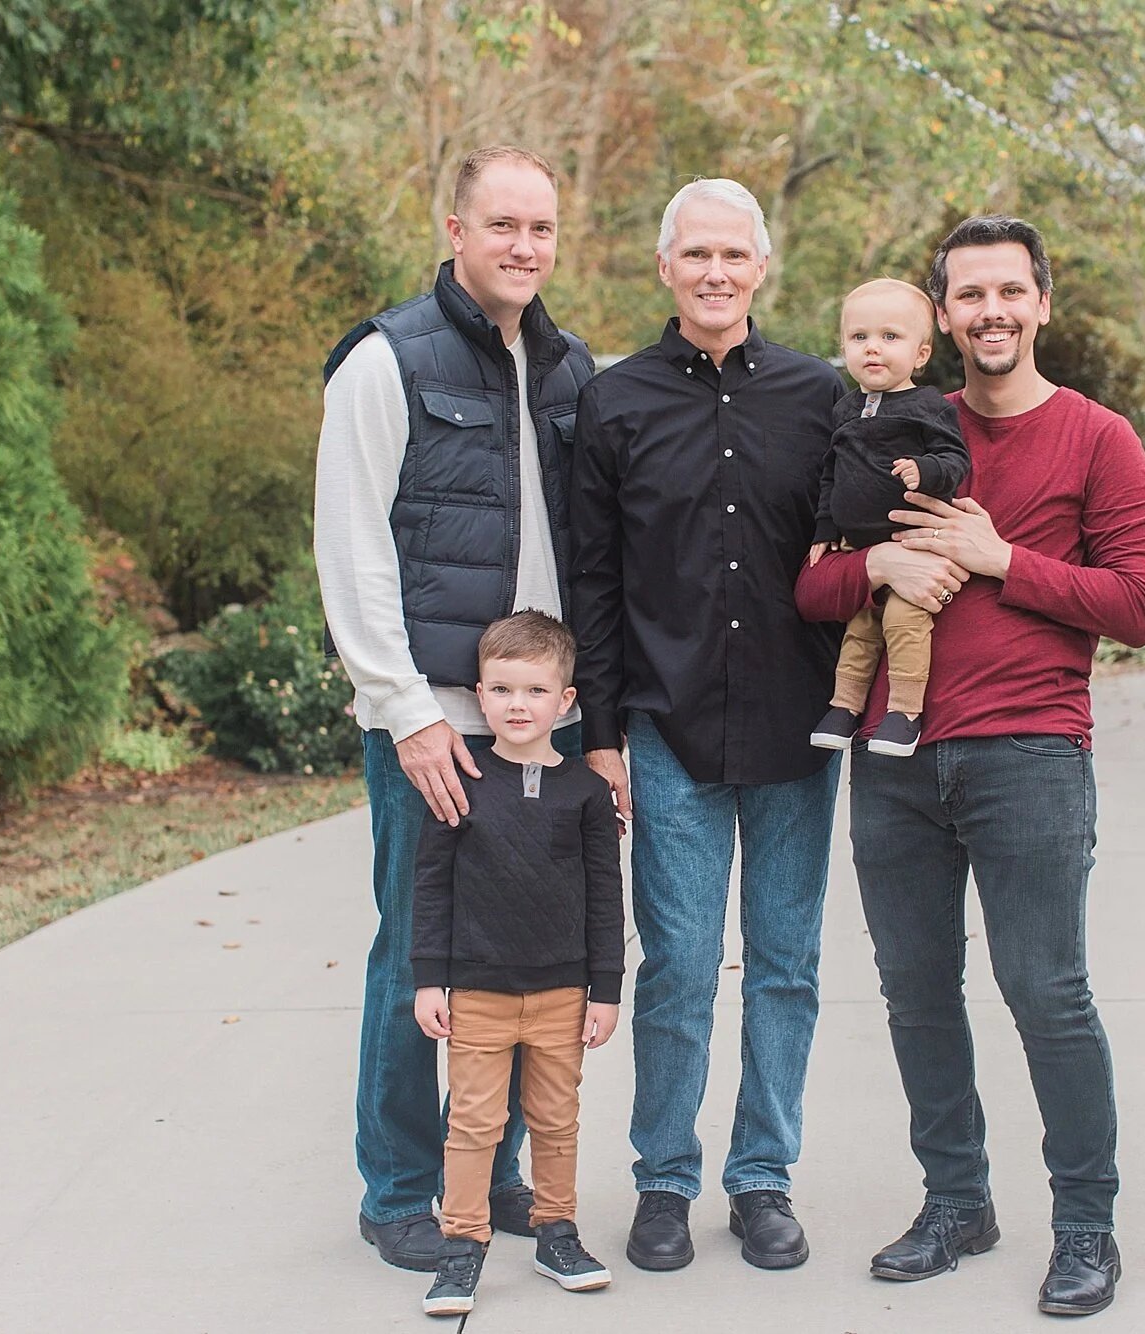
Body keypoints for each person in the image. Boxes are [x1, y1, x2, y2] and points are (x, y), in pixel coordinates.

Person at [794, 215, 1145, 1317]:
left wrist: (1001, 559)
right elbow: (810, 587)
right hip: (894, 760)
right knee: (914, 994)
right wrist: (884, 557)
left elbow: (1137, 605)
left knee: (1045, 992)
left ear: (1041, 303)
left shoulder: (1100, 438)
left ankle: (1085, 1226)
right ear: (941, 314)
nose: (989, 312)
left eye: (1010, 291)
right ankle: (956, 1201)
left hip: (1030, 756)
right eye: (968, 295)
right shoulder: (894, 419)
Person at [314, 144, 595, 1272]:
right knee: (419, 952)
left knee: (528, 958)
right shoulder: (385, 361)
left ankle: (496, 1171)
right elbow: (351, 547)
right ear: (453, 228)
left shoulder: (569, 368)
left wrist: (591, 721)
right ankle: (397, 1186)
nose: (523, 246)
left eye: (541, 228)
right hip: (433, 720)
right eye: (501, 225)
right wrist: (404, 710)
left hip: (545, 722)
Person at [569, 178, 845, 1273]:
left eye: (734, 255)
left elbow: (852, 555)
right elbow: (592, 578)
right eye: (697, 255)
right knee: (677, 962)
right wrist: (598, 733)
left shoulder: (819, 397)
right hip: (666, 728)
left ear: (761, 268)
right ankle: (664, 1181)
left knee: (785, 963)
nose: (716, 273)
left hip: (793, 730)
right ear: (664, 267)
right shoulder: (613, 401)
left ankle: (763, 1175)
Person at [410, 612, 624, 1317]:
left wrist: (606, 990)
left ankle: (555, 1232)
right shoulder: (460, 782)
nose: (517, 705)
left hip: (563, 991)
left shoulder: (586, 793)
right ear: (478, 694)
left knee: (556, 1120)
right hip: (478, 990)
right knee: (473, 1124)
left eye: (535, 690)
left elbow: (604, 894)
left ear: (566, 701)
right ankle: (462, 1246)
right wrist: (427, 980)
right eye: (501, 689)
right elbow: (431, 888)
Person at [805, 278, 971, 757]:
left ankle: (903, 712)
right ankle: (844, 707)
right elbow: (830, 475)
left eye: (890, 338)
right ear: (844, 348)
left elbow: (957, 460)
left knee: (902, 621)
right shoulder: (846, 410)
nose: (873, 348)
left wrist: (926, 471)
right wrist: (824, 529)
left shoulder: (926, 407)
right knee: (859, 631)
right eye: (859, 338)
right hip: (859, 550)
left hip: (913, 545)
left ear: (920, 354)